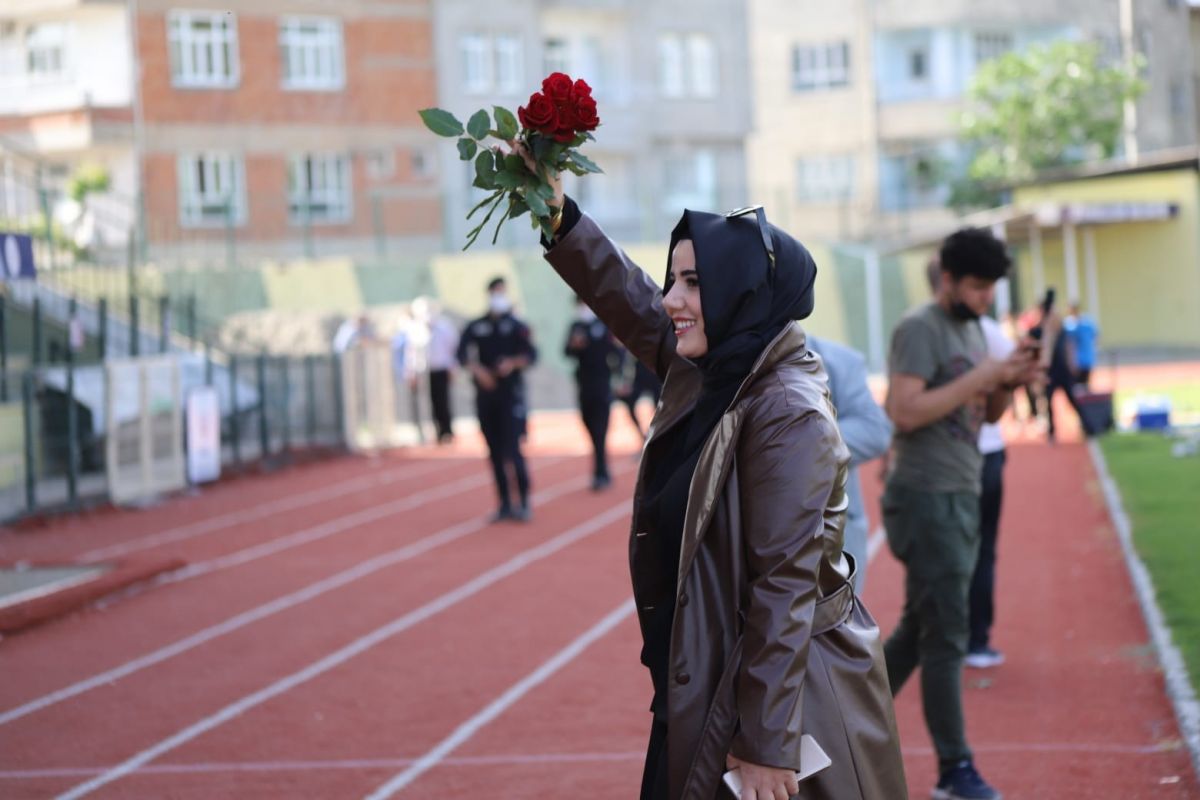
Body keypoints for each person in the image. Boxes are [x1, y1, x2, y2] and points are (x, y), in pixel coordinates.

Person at [526, 143, 906, 799]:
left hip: (778, 700)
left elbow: (783, 587)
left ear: (744, 294)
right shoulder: (715, 364)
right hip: (709, 679)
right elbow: (629, 299)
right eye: (673, 279)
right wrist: (559, 217)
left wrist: (764, 744)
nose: (672, 298)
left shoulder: (787, 412)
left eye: (695, 283)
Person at [883, 228, 1039, 800]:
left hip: (961, 489)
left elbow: (989, 414)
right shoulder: (919, 328)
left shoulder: (976, 328)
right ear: (946, 277)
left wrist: (1010, 379)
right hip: (925, 496)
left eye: (992, 289)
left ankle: (828, 724)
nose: (985, 299)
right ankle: (955, 770)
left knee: (915, 630)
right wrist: (984, 375)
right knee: (947, 637)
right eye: (976, 287)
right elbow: (903, 410)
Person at [808, 336, 893, 594]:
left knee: (834, 628)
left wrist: (796, 444)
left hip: (831, 535)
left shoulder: (839, 360)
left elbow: (875, 430)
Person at [456, 277, 537, 522]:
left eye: (501, 292)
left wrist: (512, 363)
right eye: (494, 292)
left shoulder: (516, 326)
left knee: (513, 450)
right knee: (494, 452)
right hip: (486, 396)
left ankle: (523, 500)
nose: (497, 297)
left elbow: (531, 355)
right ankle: (503, 502)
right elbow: (461, 354)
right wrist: (478, 370)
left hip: (510, 396)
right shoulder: (476, 326)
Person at [967, 312, 1015, 670]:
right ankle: (972, 640)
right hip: (960, 459)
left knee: (978, 550)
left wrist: (1006, 381)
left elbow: (997, 411)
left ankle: (973, 638)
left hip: (983, 454)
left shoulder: (986, 330)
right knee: (972, 552)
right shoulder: (922, 329)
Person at [564, 296, 619, 490]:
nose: (582, 308)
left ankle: (601, 471)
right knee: (588, 424)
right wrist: (574, 345)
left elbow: (616, 352)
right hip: (584, 385)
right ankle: (600, 468)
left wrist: (619, 378)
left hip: (602, 384)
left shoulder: (603, 324)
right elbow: (566, 352)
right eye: (579, 304)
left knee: (600, 428)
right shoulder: (575, 326)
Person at [417, 297, 459, 444]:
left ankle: (446, 430)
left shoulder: (445, 327)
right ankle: (433, 431)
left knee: (443, 401)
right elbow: (412, 352)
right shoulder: (416, 328)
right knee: (428, 402)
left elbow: (453, 349)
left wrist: (453, 368)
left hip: (441, 369)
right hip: (424, 371)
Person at [616, 352, 663, 441]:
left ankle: (658, 431)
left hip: (654, 377)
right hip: (639, 377)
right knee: (628, 400)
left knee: (660, 404)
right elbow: (627, 362)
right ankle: (644, 434)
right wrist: (625, 382)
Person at [1063, 303, 1099, 388]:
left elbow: (1095, 337)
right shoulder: (1069, 324)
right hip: (1077, 360)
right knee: (1078, 386)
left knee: (1083, 385)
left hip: (1083, 359)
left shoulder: (1084, 323)